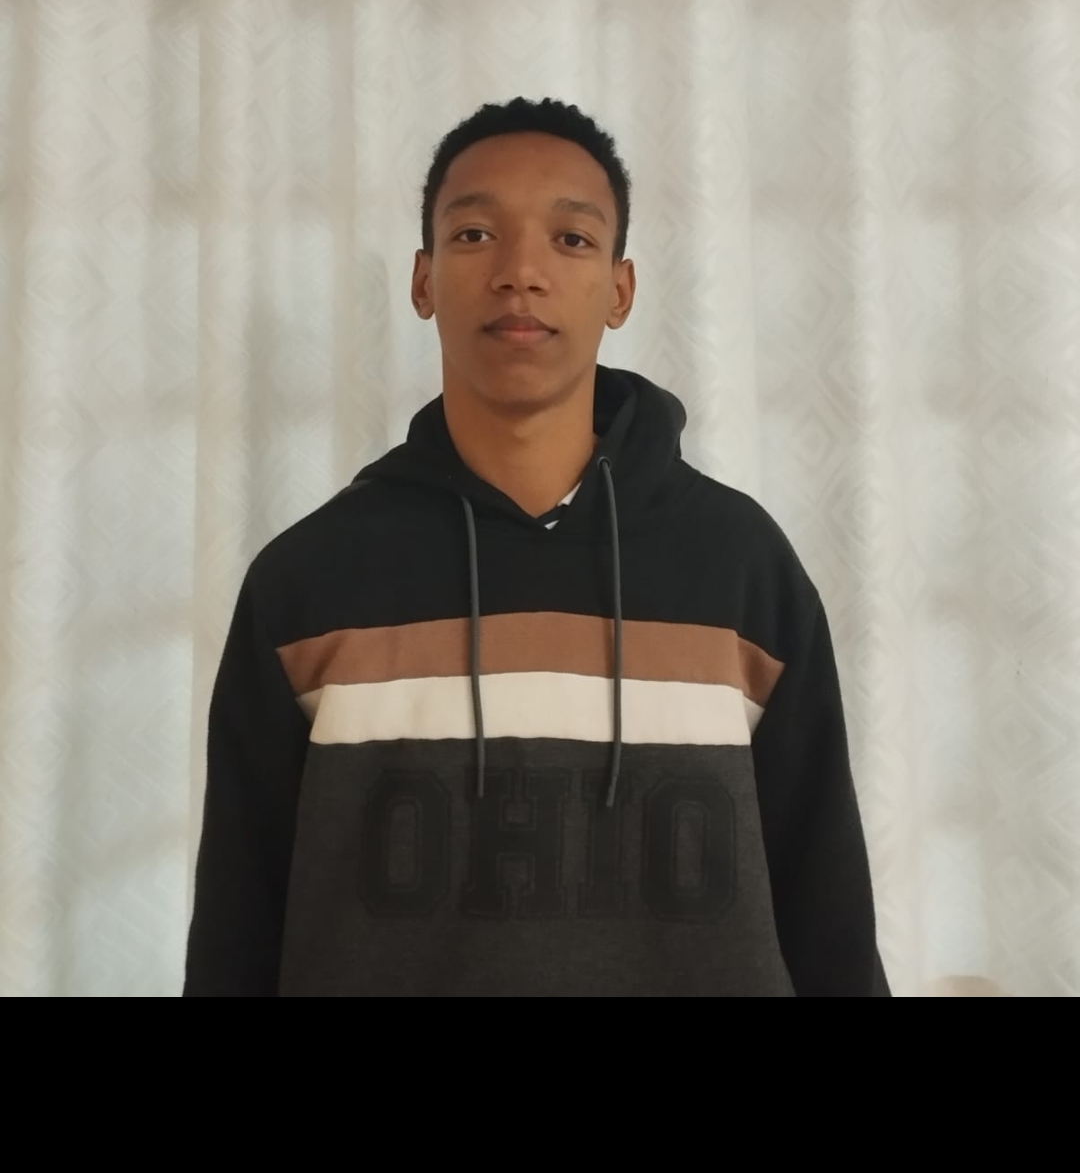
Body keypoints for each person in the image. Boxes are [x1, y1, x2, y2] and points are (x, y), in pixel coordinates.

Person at [183, 94, 890, 997]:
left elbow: (829, 920)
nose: (521, 271)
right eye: (475, 235)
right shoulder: (307, 584)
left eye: (571, 238)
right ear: (423, 280)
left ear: (621, 290)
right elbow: (237, 933)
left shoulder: (743, 569)